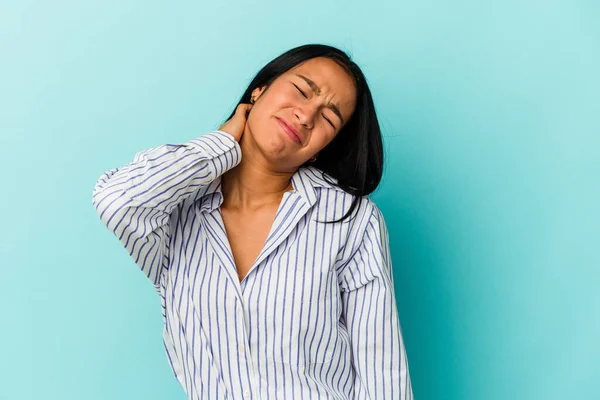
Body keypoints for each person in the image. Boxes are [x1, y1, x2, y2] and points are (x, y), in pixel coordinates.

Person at [92, 43, 413, 399]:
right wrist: (223, 143)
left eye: (328, 118)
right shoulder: (174, 212)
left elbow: (382, 370)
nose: (306, 115)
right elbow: (116, 199)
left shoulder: (350, 221)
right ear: (259, 89)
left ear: (324, 147)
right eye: (302, 91)